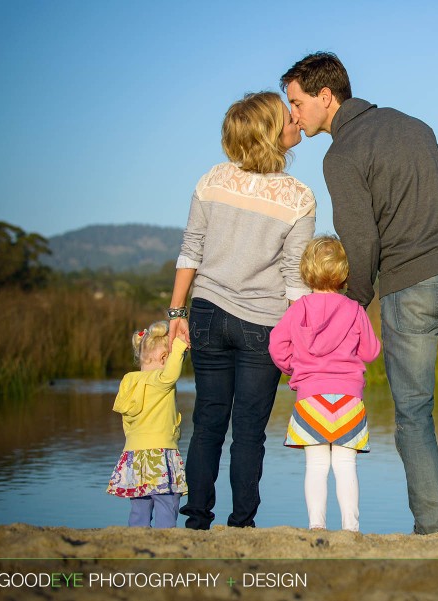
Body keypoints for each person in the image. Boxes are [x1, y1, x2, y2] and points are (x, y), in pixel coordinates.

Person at [280, 52, 438, 535]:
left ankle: (433, 530)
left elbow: (361, 241)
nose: (293, 114)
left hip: (410, 285)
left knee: (414, 412)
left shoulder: (342, 155)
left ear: (325, 97)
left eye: (296, 102)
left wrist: (349, 307)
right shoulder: (413, 125)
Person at [168, 91, 316, 530]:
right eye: (286, 116)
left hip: (207, 313)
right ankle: (241, 525)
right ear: (272, 133)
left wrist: (176, 315)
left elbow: (190, 250)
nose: (295, 119)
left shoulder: (212, 180)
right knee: (249, 431)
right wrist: (299, 341)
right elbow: (295, 278)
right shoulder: (299, 197)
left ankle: (196, 520)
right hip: (264, 323)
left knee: (208, 421)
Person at [268, 235, 381, 532]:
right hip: (348, 400)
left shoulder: (299, 309)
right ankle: (350, 528)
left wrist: (295, 367)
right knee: (346, 467)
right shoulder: (354, 310)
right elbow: (371, 351)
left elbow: (276, 345)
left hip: (310, 399)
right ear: (343, 273)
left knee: (316, 467)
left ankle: (316, 525)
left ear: (307, 271)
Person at [107, 321, 188, 528]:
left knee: (140, 504)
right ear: (164, 358)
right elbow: (170, 374)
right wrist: (179, 345)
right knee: (167, 501)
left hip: (134, 454)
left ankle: (137, 536)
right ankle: (165, 540)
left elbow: (127, 422)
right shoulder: (160, 380)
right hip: (160, 452)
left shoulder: (128, 382)